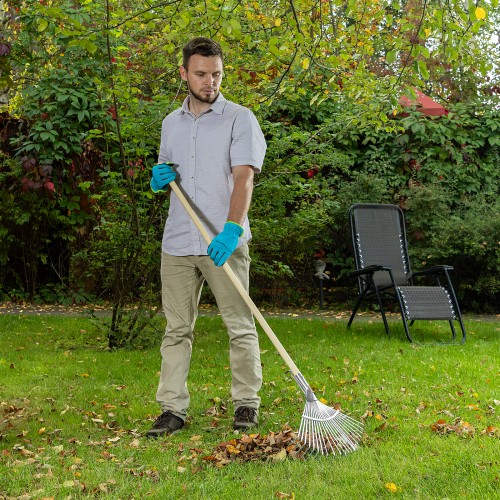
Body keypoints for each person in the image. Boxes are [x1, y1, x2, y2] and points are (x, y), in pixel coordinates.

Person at [146, 37, 267, 438]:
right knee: (176, 329)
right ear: (184, 73)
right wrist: (159, 178)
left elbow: (244, 177)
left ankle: (246, 405)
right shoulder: (170, 123)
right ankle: (172, 409)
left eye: (216, 74)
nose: (209, 82)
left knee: (239, 325)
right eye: (200, 74)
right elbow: (168, 172)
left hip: (223, 241)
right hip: (179, 241)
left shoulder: (239, 118)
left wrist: (232, 229)